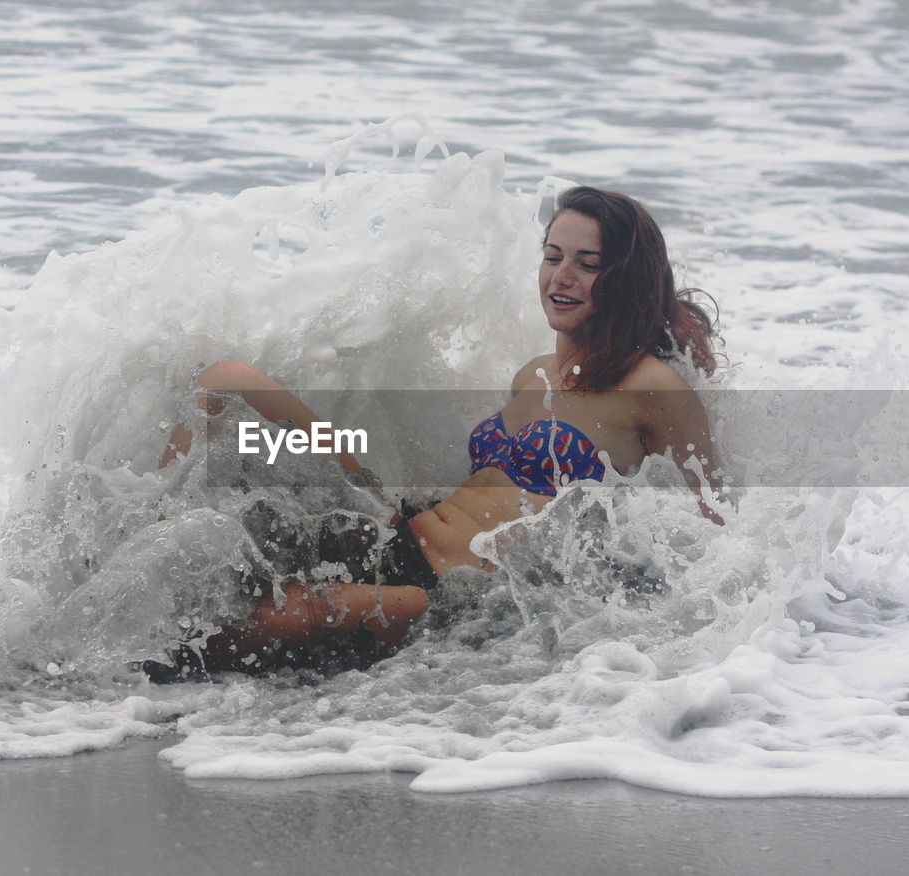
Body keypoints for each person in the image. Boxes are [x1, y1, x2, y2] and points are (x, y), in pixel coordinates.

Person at [149, 186, 721, 679]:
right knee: (226, 383)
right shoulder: (534, 374)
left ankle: (145, 652)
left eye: (588, 263)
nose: (562, 277)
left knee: (250, 620)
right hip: (398, 525)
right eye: (552, 256)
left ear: (627, 276)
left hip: (449, 593)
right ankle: (146, 523)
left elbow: (714, 528)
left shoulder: (653, 386)